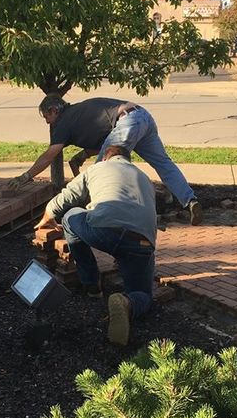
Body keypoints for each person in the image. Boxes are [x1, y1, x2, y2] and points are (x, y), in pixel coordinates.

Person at [7, 94, 203, 225]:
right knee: (164, 164)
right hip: (141, 116)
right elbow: (108, 141)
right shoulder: (79, 112)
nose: (46, 121)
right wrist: (83, 154)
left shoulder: (63, 122)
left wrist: (25, 177)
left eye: (46, 116)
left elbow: (51, 154)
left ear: (54, 110)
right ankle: (190, 200)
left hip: (126, 122)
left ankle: (101, 217)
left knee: (101, 172)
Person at [35, 145, 156, 346]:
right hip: (141, 242)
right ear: (128, 160)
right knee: (143, 294)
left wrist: (46, 217)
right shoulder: (144, 178)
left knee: (69, 216)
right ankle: (128, 303)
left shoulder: (97, 168)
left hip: (103, 231)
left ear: (106, 158)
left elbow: (67, 197)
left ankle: (91, 284)